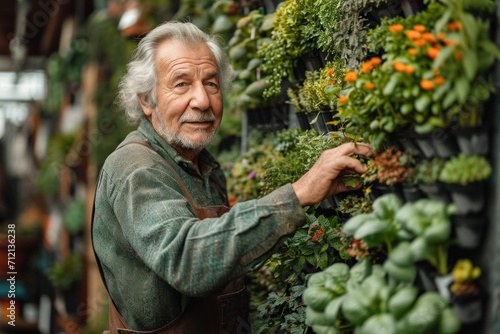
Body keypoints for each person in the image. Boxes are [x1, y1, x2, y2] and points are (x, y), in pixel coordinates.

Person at [91, 21, 372, 334]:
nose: (202, 100)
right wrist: (298, 193)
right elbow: (188, 260)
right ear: (147, 99)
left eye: (211, 84)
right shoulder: (137, 168)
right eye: (181, 84)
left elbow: (223, 257)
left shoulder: (200, 165)